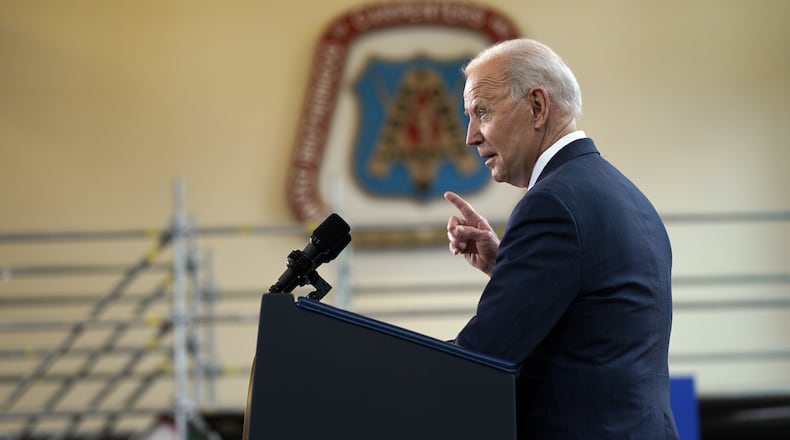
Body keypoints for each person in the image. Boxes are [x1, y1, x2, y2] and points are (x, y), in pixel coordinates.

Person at [445, 38, 679, 438]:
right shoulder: (623, 193)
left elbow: (482, 358)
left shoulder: (551, 204)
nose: (471, 136)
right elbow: (592, 321)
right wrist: (507, 266)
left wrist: (372, 371)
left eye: (482, 112)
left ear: (537, 106)